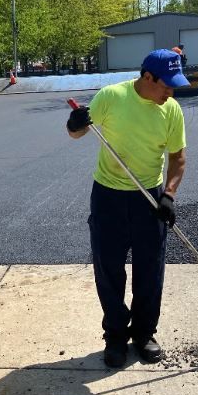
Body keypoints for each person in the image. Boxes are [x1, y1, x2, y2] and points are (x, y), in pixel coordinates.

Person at [66, 49, 189, 368]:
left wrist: (169, 195)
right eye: (166, 85)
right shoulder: (112, 97)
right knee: (109, 270)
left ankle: (144, 334)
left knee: (150, 269)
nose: (170, 92)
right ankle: (116, 336)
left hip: (149, 197)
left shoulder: (171, 110)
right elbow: (78, 131)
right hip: (108, 196)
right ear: (147, 77)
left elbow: (178, 159)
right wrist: (75, 123)